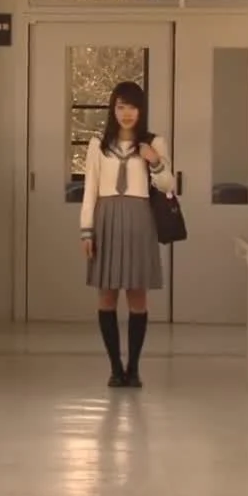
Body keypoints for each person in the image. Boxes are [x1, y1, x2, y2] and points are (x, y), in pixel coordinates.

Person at [79, 81, 175, 388]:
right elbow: (90, 190)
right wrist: (86, 231)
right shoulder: (98, 144)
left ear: (141, 110)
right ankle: (114, 368)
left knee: (137, 295)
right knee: (106, 295)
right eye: (121, 106)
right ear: (113, 109)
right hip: (106, 219)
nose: (127, 113)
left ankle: (133, 368)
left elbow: (169, 185)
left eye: (132, 107)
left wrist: (155, 161)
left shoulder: (154, 142)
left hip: (139, 220)